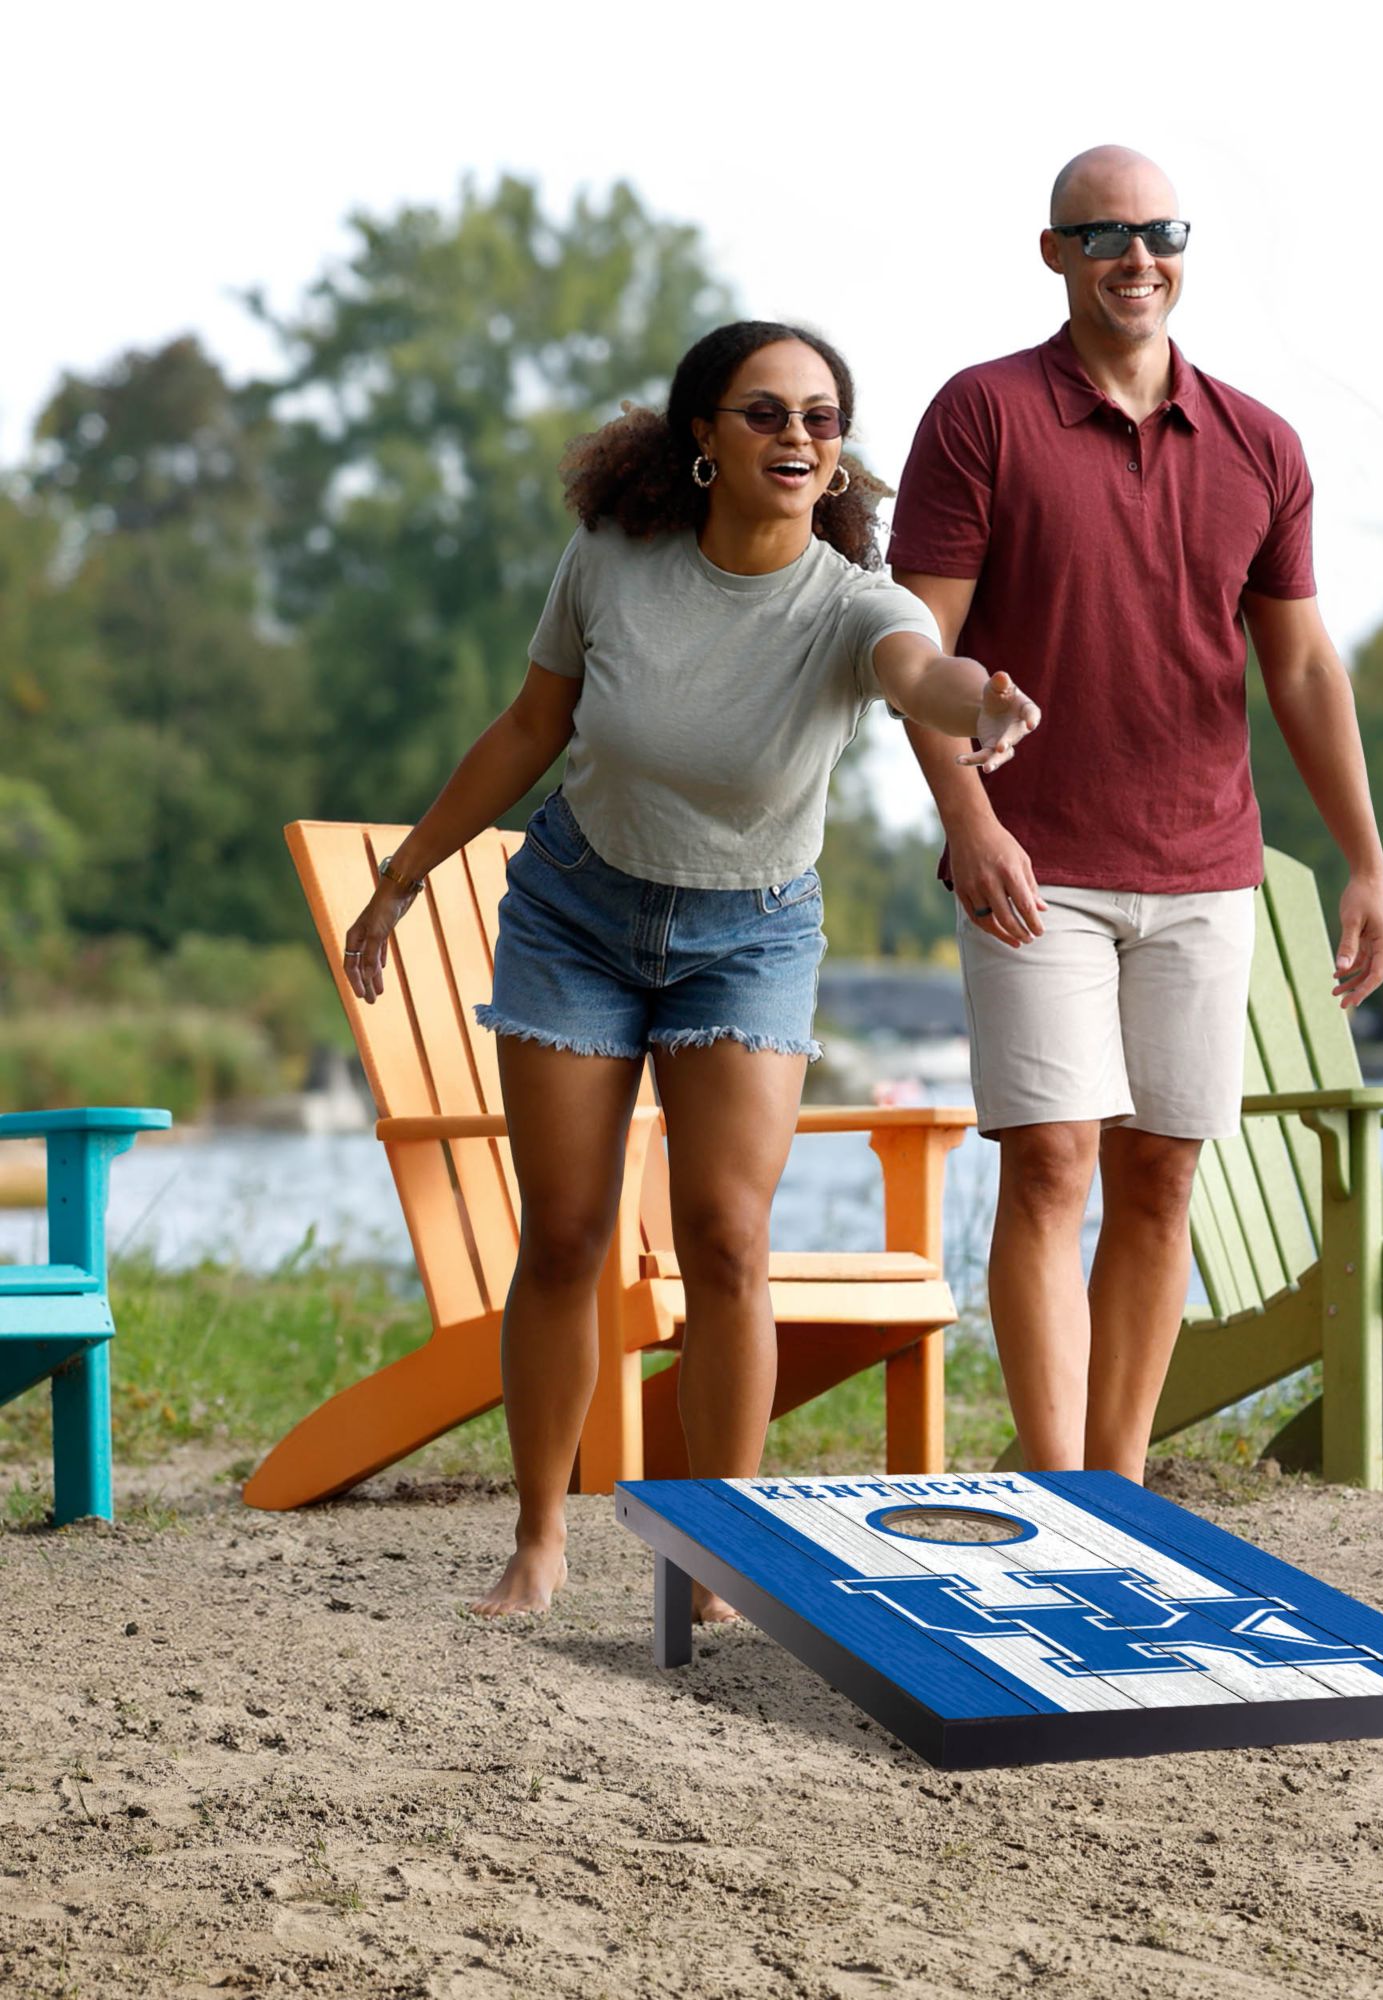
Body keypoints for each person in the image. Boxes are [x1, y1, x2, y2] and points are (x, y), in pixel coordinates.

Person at [340, 320, 1040, 1619]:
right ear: (704, 440)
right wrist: (410, 870)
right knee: (565, 1234)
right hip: (576, 917)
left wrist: (980, 707)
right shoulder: (613, 561)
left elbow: (919, 675)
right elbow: (531, 726)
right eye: (765, 413)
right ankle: (542, 1540)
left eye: (821, 420)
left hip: (751, 936)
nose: (796, 438)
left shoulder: (853, 602)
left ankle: (722, 1554)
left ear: (838, 459)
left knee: (727, 1239)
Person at [887, 146, 1383, 1480]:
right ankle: (1056, 1484)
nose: (1135, 256)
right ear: (1052, 252)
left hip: (1204, 866)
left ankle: (1115, 1483)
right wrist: (968, 822)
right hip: (1033, 865)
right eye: (1102, 233)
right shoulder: (980, 416)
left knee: (1162, 1173)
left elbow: (1302, 666)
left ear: (1184, 247)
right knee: (1053, 1161)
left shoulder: (1259, 444)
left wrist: (1364, 863)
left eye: (1158, 231)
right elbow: (909, 652)